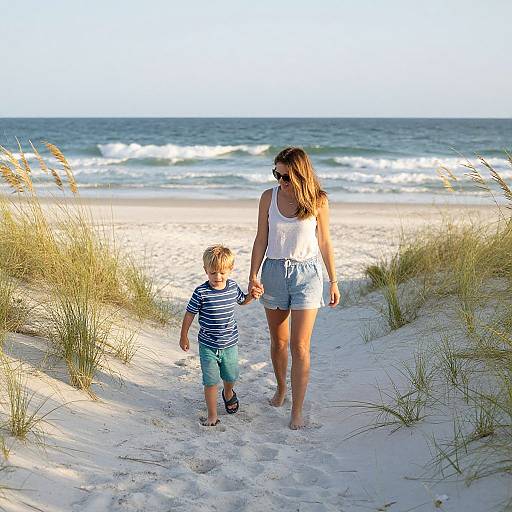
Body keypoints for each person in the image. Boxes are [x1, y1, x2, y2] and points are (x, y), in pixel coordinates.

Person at [248, 147, 340, 429]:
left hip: (307, 276)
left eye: (286, 176)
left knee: (300, 345)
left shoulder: (318, 201)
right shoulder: (268, 197)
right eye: (276, 174)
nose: (281, 181)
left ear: (300, 174)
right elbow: (261, 238)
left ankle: (296, 410)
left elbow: (324, 242)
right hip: (274, 272)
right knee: (279, 342)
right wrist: (252, 275)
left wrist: (333, 280)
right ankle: (280, 390)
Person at [180, 245, 261, 426]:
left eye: (222, 273)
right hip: (208, 344)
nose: (218, 277)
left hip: (230, 343)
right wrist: (184, 335)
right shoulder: (201, 292)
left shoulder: (232, 287)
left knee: (231, 376)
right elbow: (189, 313)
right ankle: (212, 415)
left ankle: (228, 393)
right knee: (210, 381)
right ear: (206, 270)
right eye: (213, 273)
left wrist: (252, 296)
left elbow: (243, 300)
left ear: (230, 270)